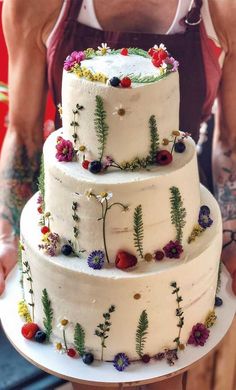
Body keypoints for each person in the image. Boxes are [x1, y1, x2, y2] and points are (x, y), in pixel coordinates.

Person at [1, 0, 236, 389]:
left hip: (173, 237)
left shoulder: (223, 8)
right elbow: (23, 134)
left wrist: (230, 231)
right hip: (77, 244)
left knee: (167, 366)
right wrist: (7, 234)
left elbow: (230, 141)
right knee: (90, 368)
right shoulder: (34, 5)